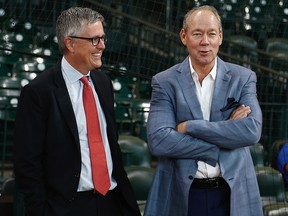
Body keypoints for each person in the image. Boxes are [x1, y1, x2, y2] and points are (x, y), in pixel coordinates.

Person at [13, 7, 141, 216]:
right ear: (70, 43)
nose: (102, 45)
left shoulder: (103, 82)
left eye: (102, 38)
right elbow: (27, 164)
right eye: (94, 40)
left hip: (113, 201)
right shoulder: (39, 92)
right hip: (67, 207)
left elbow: (111, 145)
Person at [144, 5, 263, 216]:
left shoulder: (243, 77)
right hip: (183, 193)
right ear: (184, 36)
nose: (205, 42)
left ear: (220, 37)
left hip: (232, 193)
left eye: (211, 34)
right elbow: (159, 141)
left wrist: (190, 127)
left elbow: (251, 131)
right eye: (197, 34)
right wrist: (220, 143)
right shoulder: (164, 82)